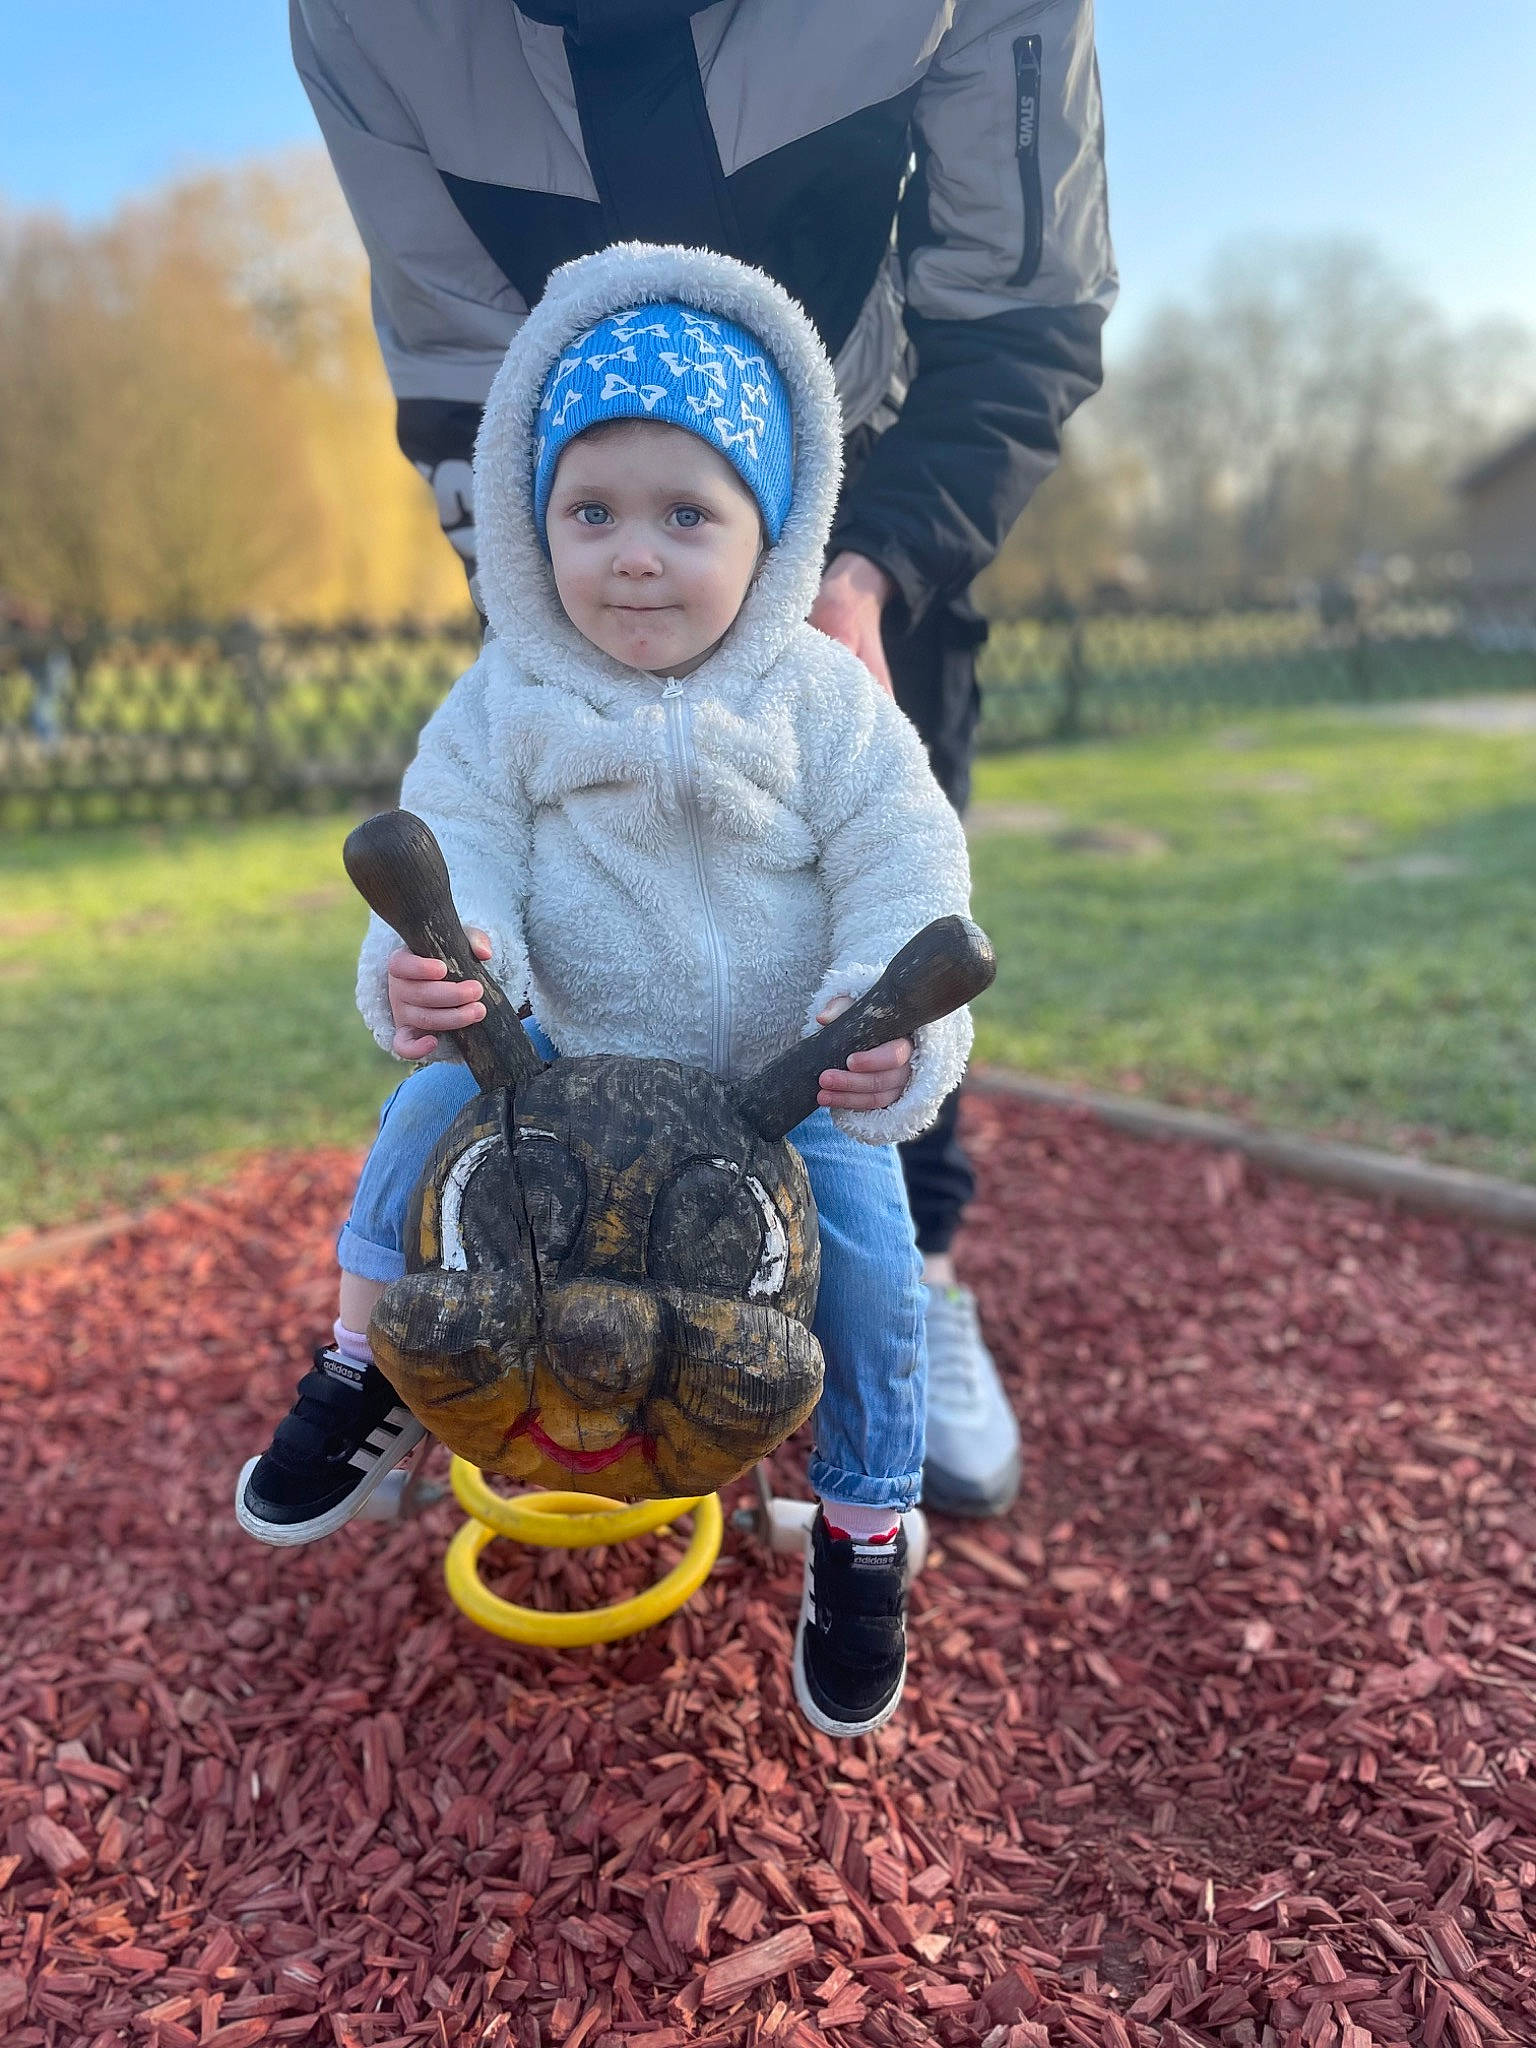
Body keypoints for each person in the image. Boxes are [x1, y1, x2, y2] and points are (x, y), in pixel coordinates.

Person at [290, 0, 1117, 1518]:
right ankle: (488, 1301)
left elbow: (1021, 306)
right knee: (546, 922)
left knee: (869, 893)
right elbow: (462, 368)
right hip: (571, 463)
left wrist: (867, 572)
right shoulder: (371, 23)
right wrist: (549, 619)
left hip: (844, 484)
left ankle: (897, 1279)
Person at [237, 243, 977, 1738]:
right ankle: (363, 1364)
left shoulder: (822, 701)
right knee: (415, 1120)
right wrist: (448, 965)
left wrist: (889, 1024)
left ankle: (864, 1523)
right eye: (592, 512)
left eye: (686, 515)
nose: (634, 556)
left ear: (772, 531)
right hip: (556, 1051)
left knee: (881, 1261)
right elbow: (459, 842)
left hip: (783, 1070)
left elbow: (910, 865)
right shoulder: (510, 693)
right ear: (532, 525)